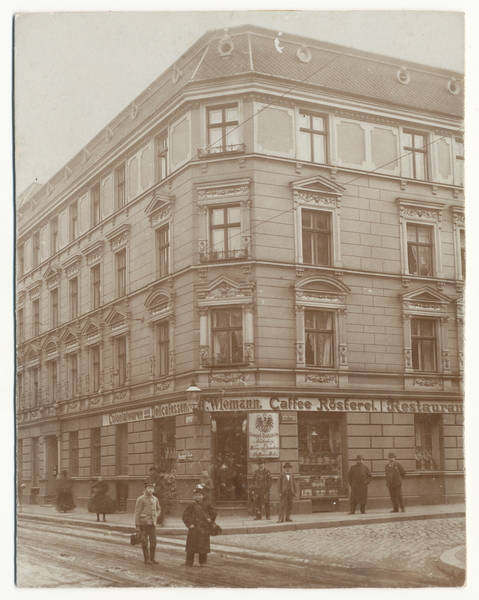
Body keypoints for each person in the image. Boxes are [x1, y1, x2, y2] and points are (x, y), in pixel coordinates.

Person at [182, 485, 218, 567]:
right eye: (196, 495)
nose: (198, 497)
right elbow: (185, 516)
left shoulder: (207, 504)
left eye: (199, 495)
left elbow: (214, 512)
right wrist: (189, 524)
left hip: (203, 528)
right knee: (191, 545)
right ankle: (189, 562)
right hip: (193, 528)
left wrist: (211, 519)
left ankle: (202, 562)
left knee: (203, 546)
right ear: (194, 496)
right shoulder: (191, 505)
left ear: (203, 496)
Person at [134, 479, 161, 565]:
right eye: (149, 488)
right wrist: (137, 525)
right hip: (143, 524)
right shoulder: (141, 499)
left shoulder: (155, 499)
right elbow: (137, 512)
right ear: (145, 489)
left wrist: (156, 515)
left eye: (152, 488)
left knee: (153, 540)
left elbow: (159, 509)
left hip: (152, 523)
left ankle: (153, 558)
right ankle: (147, 559)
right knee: (144, 540)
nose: (150, 490)